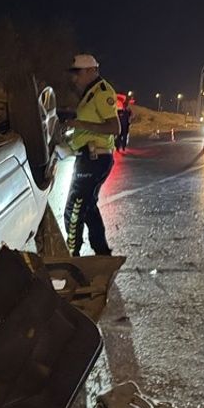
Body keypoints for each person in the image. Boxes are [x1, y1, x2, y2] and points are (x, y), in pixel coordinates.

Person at [61, 54, 120, 257]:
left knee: (74, 209)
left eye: (77, 73)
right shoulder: (90, 93)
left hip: (95, 158)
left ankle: (71, 256)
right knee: (88, 207)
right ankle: (102, 252)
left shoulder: (102, 92)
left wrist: (80, 124)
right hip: (87, 158)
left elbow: (115, 127)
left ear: (90, 71)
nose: (74, 78)